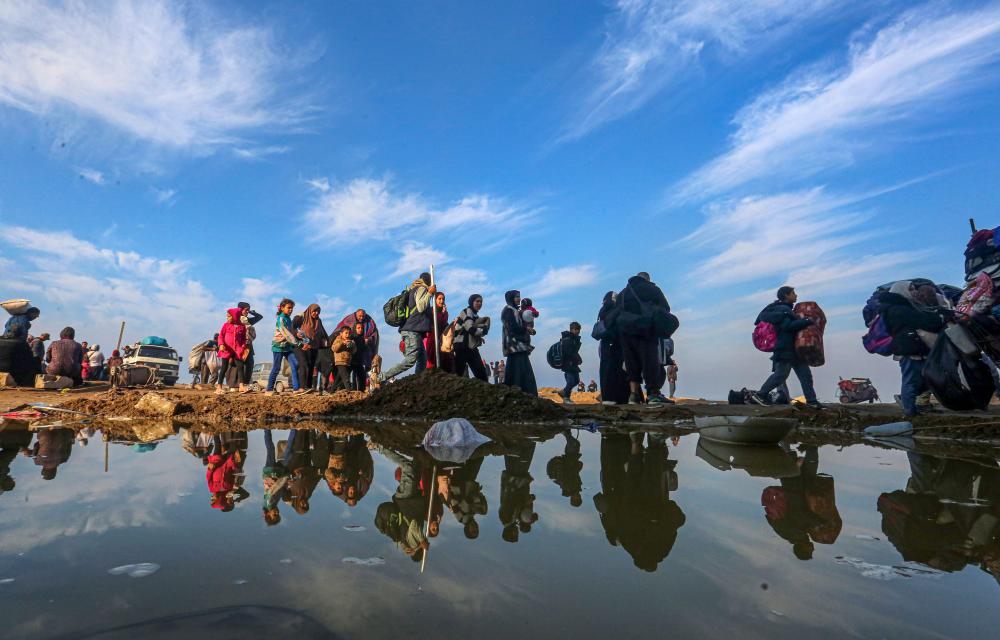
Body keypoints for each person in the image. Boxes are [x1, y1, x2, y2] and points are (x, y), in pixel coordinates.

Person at [877, 280, 948, 417]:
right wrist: (940, 318)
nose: (915, 291)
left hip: (913, 348)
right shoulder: (900, 309)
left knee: (924, 379)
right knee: (911, 381)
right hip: (909, 350)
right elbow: (923, 321)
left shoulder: (898, 307)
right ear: (902, 291)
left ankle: (910, 406)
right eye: (911, 289)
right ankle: (909, 412)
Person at [749, 287, 822, 408]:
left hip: (794, 349)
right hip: (785, 349)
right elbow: (788, 326)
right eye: (793, 293)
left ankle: (812, 401)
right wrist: (807, 321)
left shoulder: (786, 309)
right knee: (781, 375)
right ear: (786, 295)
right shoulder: (783, 310)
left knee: (805, 375)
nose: (796, 295)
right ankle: (760, 395)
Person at [617, 273, 675, 405]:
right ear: (647, 280)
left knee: (631, 363)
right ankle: (653, 394)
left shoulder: (622, 293)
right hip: (645, 329)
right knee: (650, 361)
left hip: (625, 332)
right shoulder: (651, 289)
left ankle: (633, 395)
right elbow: (665, 308)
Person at [381, 272, 435, 382]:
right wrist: (429, 293)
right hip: (412, 330)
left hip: (412, 330)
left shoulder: (412, 289)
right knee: (411, 359)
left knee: (422, 358)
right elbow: (420, 307)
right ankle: (381, 377)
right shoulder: (422, 288)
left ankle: (418, 382)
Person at [501, 290, 537, 395]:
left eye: (519, 296)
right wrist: (526, 329)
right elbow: (512, 327)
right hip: (514, 345)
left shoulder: (515, 310)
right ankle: (525, 392)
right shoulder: (508, 310)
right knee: (522, 370)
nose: (519, 299)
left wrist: (527, 328)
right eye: (516, 297)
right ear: (511, 298)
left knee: (516, 370)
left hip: (517, 345)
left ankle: (518, 391)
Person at [266, 299, 305, 396]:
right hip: (278, 346)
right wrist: (297, 343)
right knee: (276, 367)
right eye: (289, 308)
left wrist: (298, 335)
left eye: (292, 308)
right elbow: (285, 333)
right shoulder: (281, 318)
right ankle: (269, 389)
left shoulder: (288, 319)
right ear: (282, 308)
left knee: (295, 364)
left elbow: (291, 332)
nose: (291, 310)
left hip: (287, 347)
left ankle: (296, 389)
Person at [453, 294, 491, 381]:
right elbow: (470, 328)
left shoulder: (475, 316)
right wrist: (483, 331)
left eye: (481, 301)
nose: (479, 303)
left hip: (470, 347)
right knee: (458, 373)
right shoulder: (467, 311)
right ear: (471, 302)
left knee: (481, 373)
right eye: (477, 301)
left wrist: (479, 337)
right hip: (462, 347)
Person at [293, 303, 329, 391]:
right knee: (303, 365)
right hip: (301, 346)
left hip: (314, 347)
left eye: (318, 311)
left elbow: (323, 332)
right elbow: (292, 328)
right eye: (314, 311)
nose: (316, 313)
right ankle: (301, 387)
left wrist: (326, 341)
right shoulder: (301, 317)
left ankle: (308, 387)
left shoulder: (318, 321)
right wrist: (296, 334)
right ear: (309, 310)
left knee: (311, 366)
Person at [337, 309, 380, 382]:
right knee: (345, 372)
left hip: (363, 351)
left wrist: (369, 339)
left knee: (360, 372)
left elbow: (374, 334)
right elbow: (339, 331)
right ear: (356, 315)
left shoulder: (370, 322)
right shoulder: (348, 320)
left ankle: (361, 388)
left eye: (363, 316)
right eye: (360, 316)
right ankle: (337, 387)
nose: (361, 318)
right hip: (348, 354)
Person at [217, 308, 249, 394]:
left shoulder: (242, 327)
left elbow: (243, 339)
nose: (227, 318)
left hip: (237, 350)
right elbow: (220, 336)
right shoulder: (225, 325)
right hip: (227, 349)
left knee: (240, 366)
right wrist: (221, 344)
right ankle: (219, 386)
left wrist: (242, 348)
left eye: (229, 316)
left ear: (235, 317)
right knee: (224, 367)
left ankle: (241, 386)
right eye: (227, 316)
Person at [237, 302, 264, 385]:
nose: (247, 312)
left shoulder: (247, 321)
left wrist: (253, 312)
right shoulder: (236, 319)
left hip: (248, 346)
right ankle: (237, 384)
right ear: (240, 309)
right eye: (246, 310)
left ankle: (246, 383)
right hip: (239, 346)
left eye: (248, 310)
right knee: (239, 366)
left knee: (250, 364)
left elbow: (260, 317)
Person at [559, 322, 583, 404]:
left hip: (573, 363)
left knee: (576, 381)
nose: (578, 332)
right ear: (572, 329)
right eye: (576, 330)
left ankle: (564, 391)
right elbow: (569, 352)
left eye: (578, 330)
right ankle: (566, 398)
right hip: (568, 364)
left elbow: (574, 351)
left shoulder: (574, 339)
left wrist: (578, 358)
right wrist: (577, 358)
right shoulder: (567, 339)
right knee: (571, 381)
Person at [424, 291, 449, 370]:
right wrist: (443, 314)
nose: (442, 301)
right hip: (432, 338)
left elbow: (444, 324)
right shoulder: (432, 311)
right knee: (431, 361)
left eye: (443, 299)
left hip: (441, 339)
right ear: (435, 300)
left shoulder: (444, 312)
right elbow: (437, 322)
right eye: (439, 299)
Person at [332, 325, 356, 391]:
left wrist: (353, 345)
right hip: (340, 361)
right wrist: (342, 343)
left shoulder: (350, 341)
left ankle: (332, 390)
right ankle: (349, 390)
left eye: (349, 333)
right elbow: (334, 348)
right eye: (346, 333)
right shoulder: (338, 339)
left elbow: (353, 352)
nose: (347, 335)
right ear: (341, 333)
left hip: (347, 362)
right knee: (346, 377)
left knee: (338, 378)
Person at [350, 322, 368, 390]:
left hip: (359, 361)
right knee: (353, 376)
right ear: (355, 328)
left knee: (362, 376)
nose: (360, 329)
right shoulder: (352, 337)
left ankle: (361, 391)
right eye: (358, 328)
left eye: (362, 328)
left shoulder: (362, 339)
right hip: (352, 360)